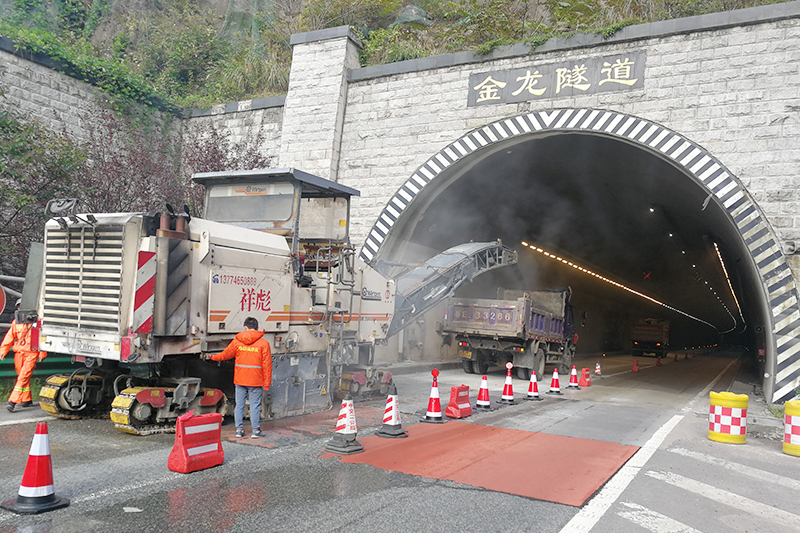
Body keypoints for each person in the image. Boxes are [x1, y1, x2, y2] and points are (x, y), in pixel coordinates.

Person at [210, 317, 272, 438]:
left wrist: (213, 357)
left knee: (240, 405)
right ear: (257, 328)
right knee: (254, 406)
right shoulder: (264, 344)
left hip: (240, 379)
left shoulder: (237, 341)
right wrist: (267, 383)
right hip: (255, 380)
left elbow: (225, 354)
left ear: (245, 327)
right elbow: (267, 365)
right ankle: (256, 431)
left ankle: (239, 430)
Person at [0, 299, 47, 412]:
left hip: (31, 353)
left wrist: (42, 352)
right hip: (19, 354)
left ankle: (12, 401)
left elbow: (42, 338)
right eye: (19, 307)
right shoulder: (16, 323)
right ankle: (26, 399)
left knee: (23, 377)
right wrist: (3, 351)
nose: (21, 309)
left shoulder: (37, 322)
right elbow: (9, 337)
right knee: (22, 375)